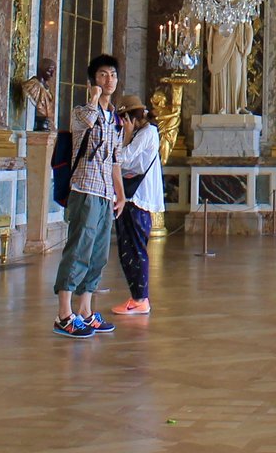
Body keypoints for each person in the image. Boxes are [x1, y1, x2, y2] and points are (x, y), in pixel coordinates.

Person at [53, 54, 125, 338]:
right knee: (79, 248)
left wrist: (120, 195)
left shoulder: (115, 119)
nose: (109, 80)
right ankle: (63, 313)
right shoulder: (83, 111)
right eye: (103, 75)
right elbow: (86, 122)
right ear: (93, 79)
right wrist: (94, 98)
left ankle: (84, 309)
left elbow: (115, 161)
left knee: (98, 253)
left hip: (106, 192)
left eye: (113, 75)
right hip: (85, 187)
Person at [112, 95, 163, 316]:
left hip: (138, 198)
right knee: (127, 249)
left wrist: (127, 136)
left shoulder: (147, 132)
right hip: (129, 196)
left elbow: (121, 158)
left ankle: (140, 299)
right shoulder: (140, 134)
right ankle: (136, 296)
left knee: (135, 249)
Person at [20, 59, 56, 131]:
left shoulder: (48, 89)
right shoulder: (31, 86)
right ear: (41, 70)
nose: (52, 75)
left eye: (53, 71)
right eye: (49, 71)